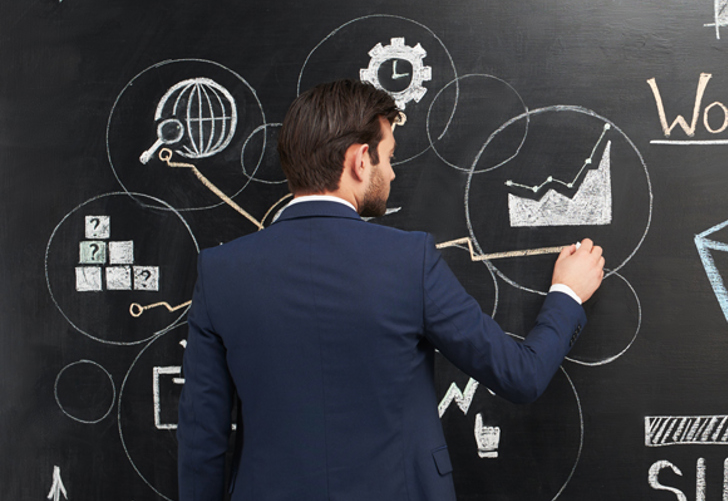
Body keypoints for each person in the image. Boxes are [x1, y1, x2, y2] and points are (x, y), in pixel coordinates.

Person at [178, 79, 605, 501]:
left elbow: (201, 439)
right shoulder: (408, 260)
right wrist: (566, 294)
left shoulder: (220, 273)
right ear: (360, 160)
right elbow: (519, 375)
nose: (392, 172)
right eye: (389, 157)